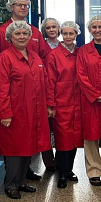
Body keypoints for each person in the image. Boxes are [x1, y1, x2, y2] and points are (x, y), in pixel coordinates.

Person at [0, 0, 49, 181]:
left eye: (26, 5)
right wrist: (4, 111)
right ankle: (12, 180)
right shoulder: (0, 35)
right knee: (14, 143)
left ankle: (23, 176)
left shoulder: (36, 35)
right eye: (19, 4)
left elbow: (43, 61)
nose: (23, 7)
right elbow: (0, 81)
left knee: (29, 140)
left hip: (32, 103)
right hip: (14, 100)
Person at [77, 15, 101, 186]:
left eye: (100, 27)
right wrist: (94, 93)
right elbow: (80, 75)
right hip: (89, 100)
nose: (97, 30)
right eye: (94, 27)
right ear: (89, 30)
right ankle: (93, 170)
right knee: (91, 134)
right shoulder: (83, 50)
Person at [46, 21, 82, 189]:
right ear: (61, 34)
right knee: (62, 140)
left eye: (71, 33)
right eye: (65, 33)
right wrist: (50, 104)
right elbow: (50, 81)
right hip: (61, 103)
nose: (68, 36)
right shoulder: (54, 55)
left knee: (74, 139)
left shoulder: (80, 53)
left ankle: (69, 170)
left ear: (76, 35)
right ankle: (61, 172)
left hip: (78, 103)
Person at [40, 17, 61, 172]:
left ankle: (61, 160)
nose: (52, 30)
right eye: (48, 28)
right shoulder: (40, 47)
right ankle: (49, 162)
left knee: (61, 130)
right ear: (44, 31)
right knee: (45, 129)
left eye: (54, 27)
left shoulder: (65, 45)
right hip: (43, 90)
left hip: (62, 93)